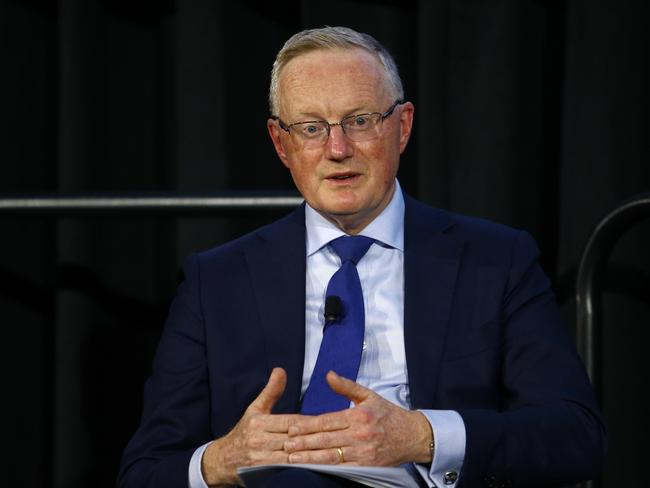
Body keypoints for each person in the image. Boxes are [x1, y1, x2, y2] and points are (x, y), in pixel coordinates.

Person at [118, 26, 606, 488]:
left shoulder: (494, 260)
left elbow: (575, 435)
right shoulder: (217, 281)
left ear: (403, 126)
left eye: (360, 121)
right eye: (311, 128)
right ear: (280, 143)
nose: (337, 148)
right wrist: (225, 458)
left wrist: (422, 436)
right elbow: (145, 472)